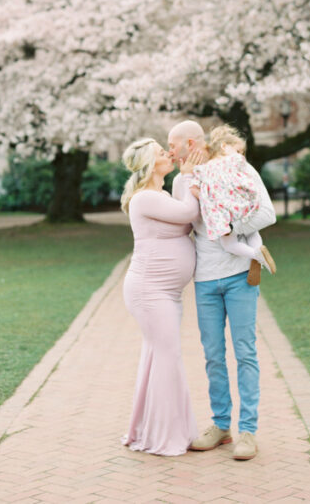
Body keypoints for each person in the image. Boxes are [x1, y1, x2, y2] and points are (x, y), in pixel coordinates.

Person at [167, 120, 276, 461]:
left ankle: (248, 431)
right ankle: (220, 425)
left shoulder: (239, 167)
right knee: (213, 355)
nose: (171, 152)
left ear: (191, 143)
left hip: (240, 275)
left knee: (245, 352)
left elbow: (267, 213)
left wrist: (230, 226)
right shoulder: (180, 179)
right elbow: (180, 223)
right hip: (205, 280)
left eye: (174, 146)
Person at [118, 138, 202, 456]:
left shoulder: (160, 194)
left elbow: (184, 218)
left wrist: (184, 178)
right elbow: (188, 213)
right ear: (150, 164)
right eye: (160, 152)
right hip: (150, 291)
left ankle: (155, 430)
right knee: (168, 357)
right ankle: (166, 437)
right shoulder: (144, 199)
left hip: (166, 291)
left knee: (159, 357)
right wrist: (190, 175)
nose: (168, 153)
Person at [188, 124, 276, 285]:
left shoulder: (203, 169)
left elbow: (193, 188)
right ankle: (258, 252)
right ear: (224, 146)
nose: (241, 154)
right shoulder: (236, 161)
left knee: (229, 244)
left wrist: (206, 198)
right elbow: (247, 178)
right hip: (241, 205)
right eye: (238, 150)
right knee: (252, 231)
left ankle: (255, 255)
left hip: (223, 213)